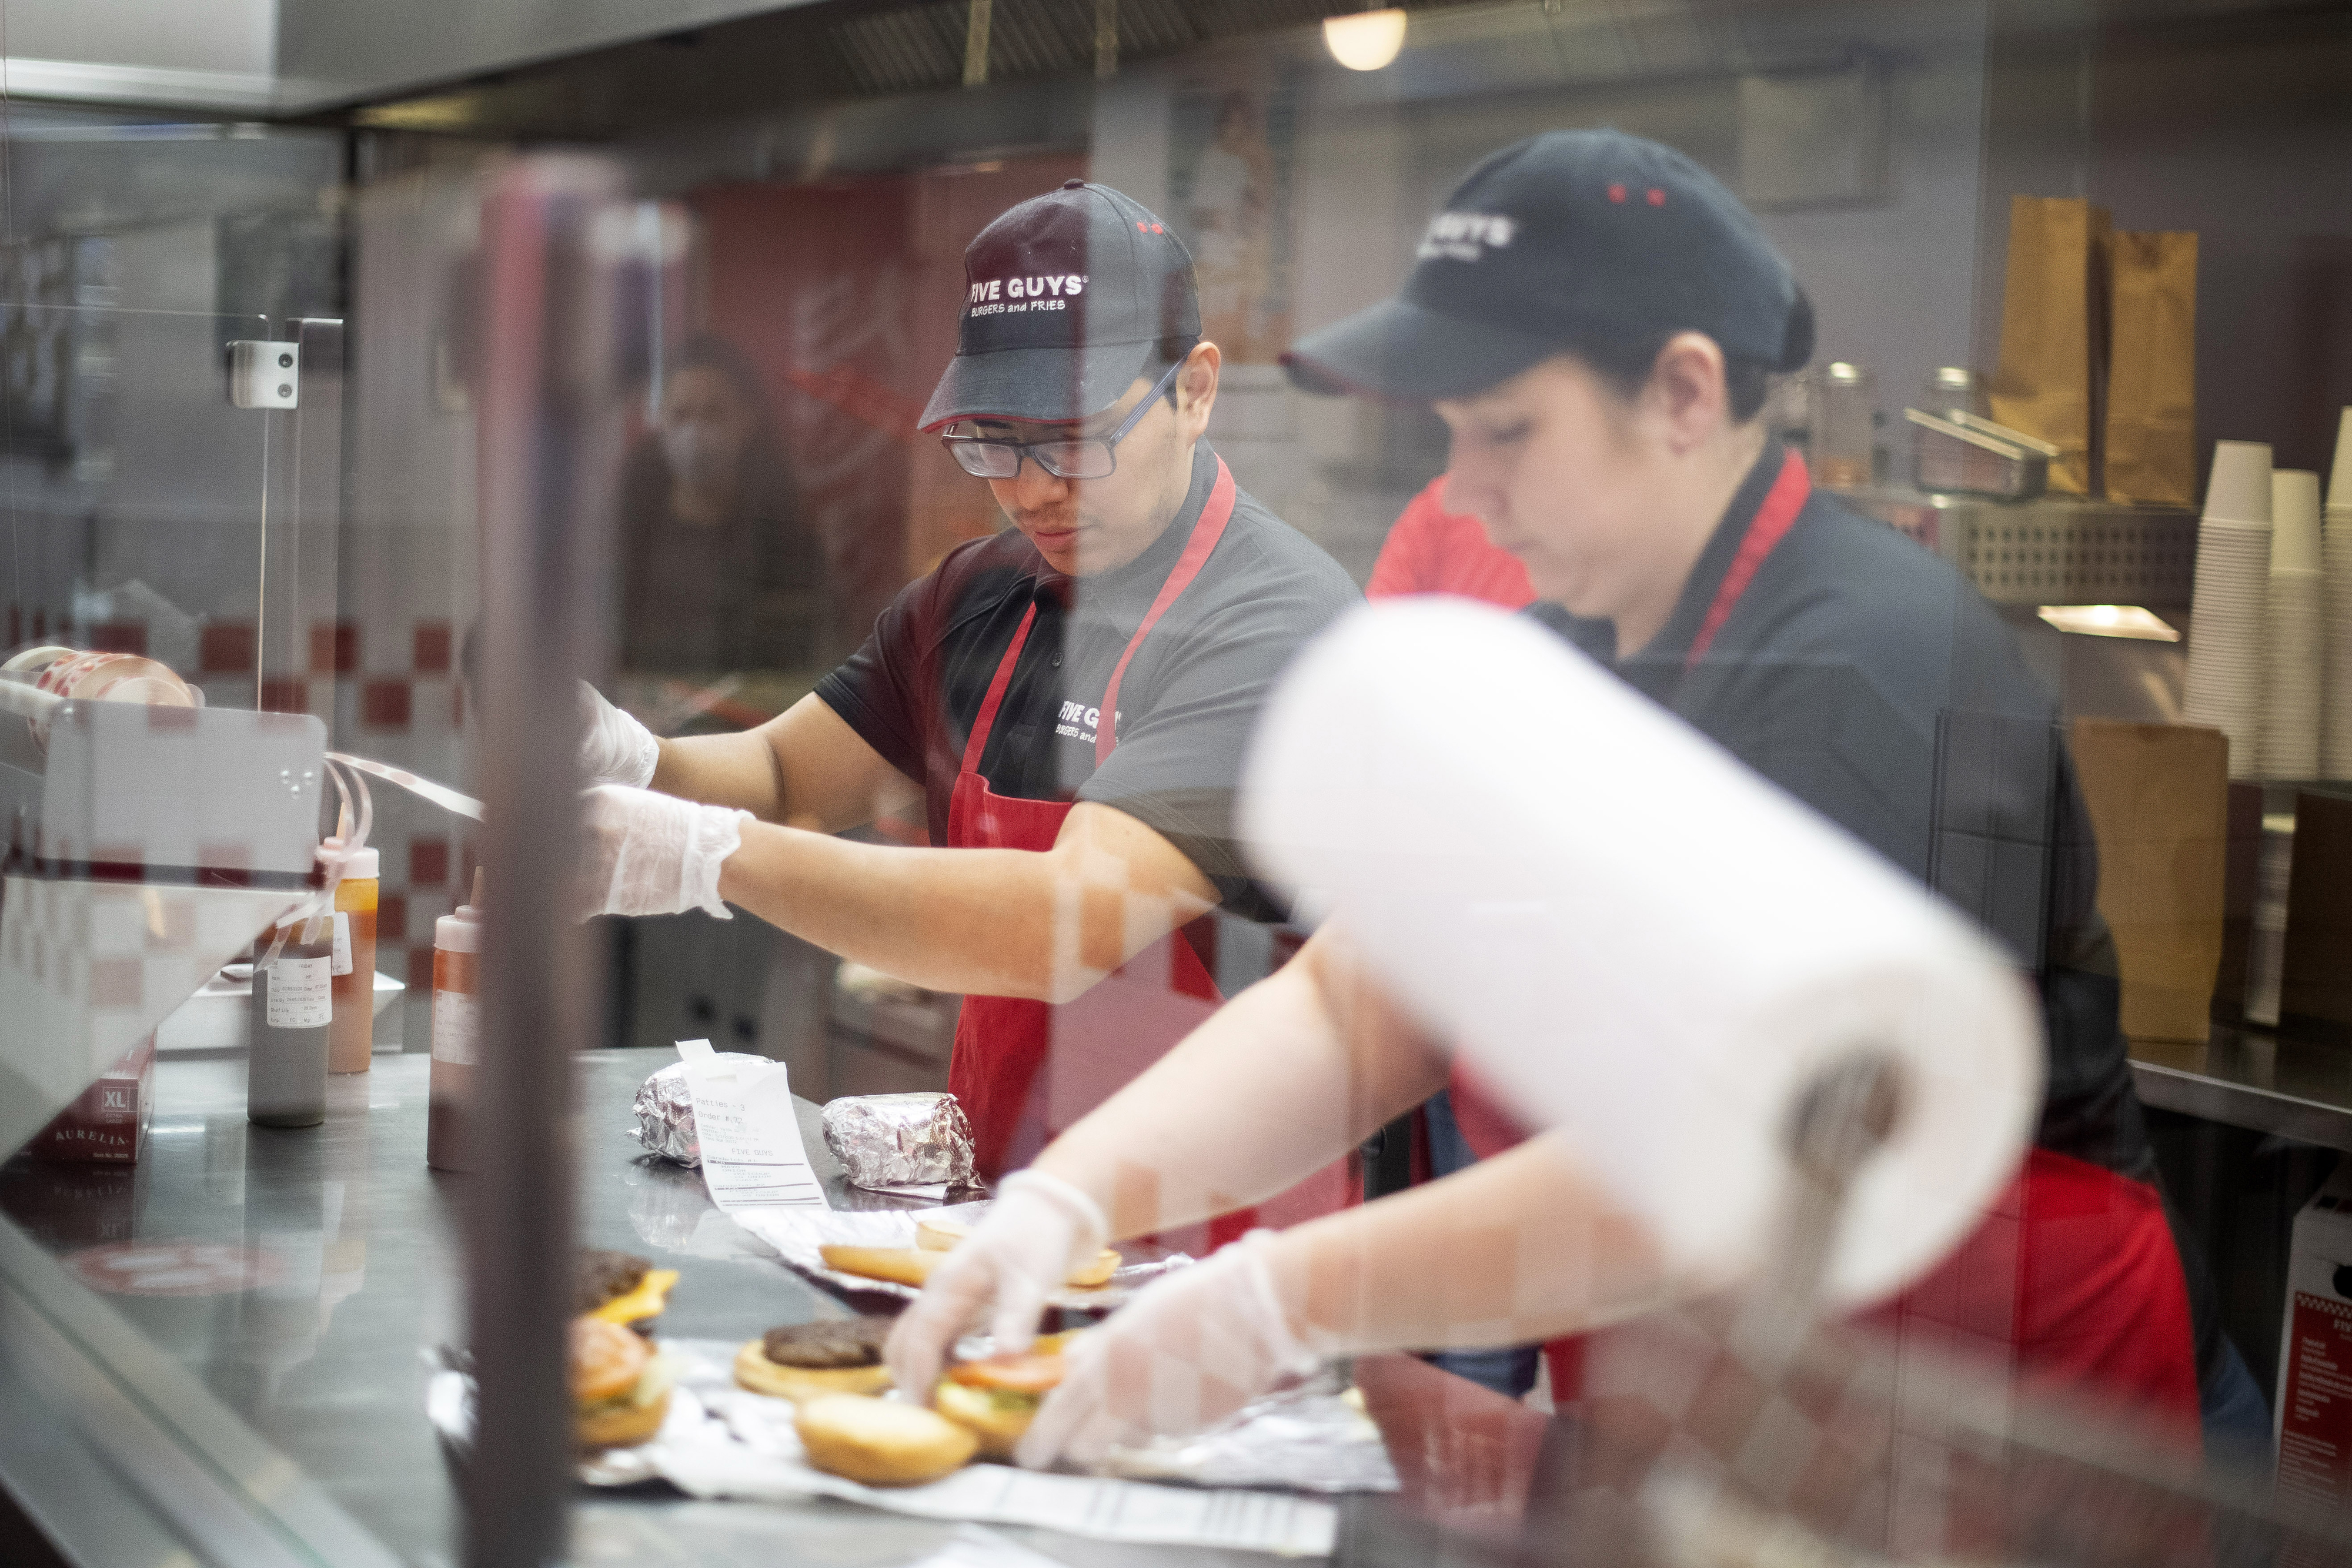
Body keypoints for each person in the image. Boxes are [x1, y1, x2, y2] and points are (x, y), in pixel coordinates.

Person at [883, 128, 2260, 1472]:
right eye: (1448, 435)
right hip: (1743, 1419)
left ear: (1680, 393)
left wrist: (1281, 1297)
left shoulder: (1877, 667)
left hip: (2001, 1429)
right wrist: (1075, 1200)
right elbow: (1360, 1003)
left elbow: (1736, 1163)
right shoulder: (1566, 656)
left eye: (1505, 430)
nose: (1464, 493)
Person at [576, 180, 1362, 1241]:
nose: (1035, 489)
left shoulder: (1273, 626)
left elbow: (1069, 923)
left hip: (1226, 1261)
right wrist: (629, 755)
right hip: (1008, 1212)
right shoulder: (976, 594)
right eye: (995, 440)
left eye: (1077, 436)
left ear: (1194, 389)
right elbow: (783, 777)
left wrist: (709, 858)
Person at [617, 336, 826, 673]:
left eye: (714, 414)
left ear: (748, 421)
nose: (695, 433)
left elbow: (808, 654)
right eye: (680, 415)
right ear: (659, 423)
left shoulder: (786, 538)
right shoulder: (627, 536)